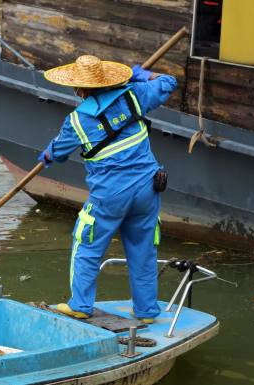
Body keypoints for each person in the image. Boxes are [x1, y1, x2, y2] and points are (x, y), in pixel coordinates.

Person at [38, 55, 177, 323]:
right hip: (148, 188)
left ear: (79, 88)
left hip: (110, 195)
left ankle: (80, 304)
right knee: (142, 249)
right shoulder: (135, 95)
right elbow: (168, 83)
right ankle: (147, 311)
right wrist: (143, 75)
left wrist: (47, 155)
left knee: (87, 245)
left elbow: (59, 152)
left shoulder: (77, 120)